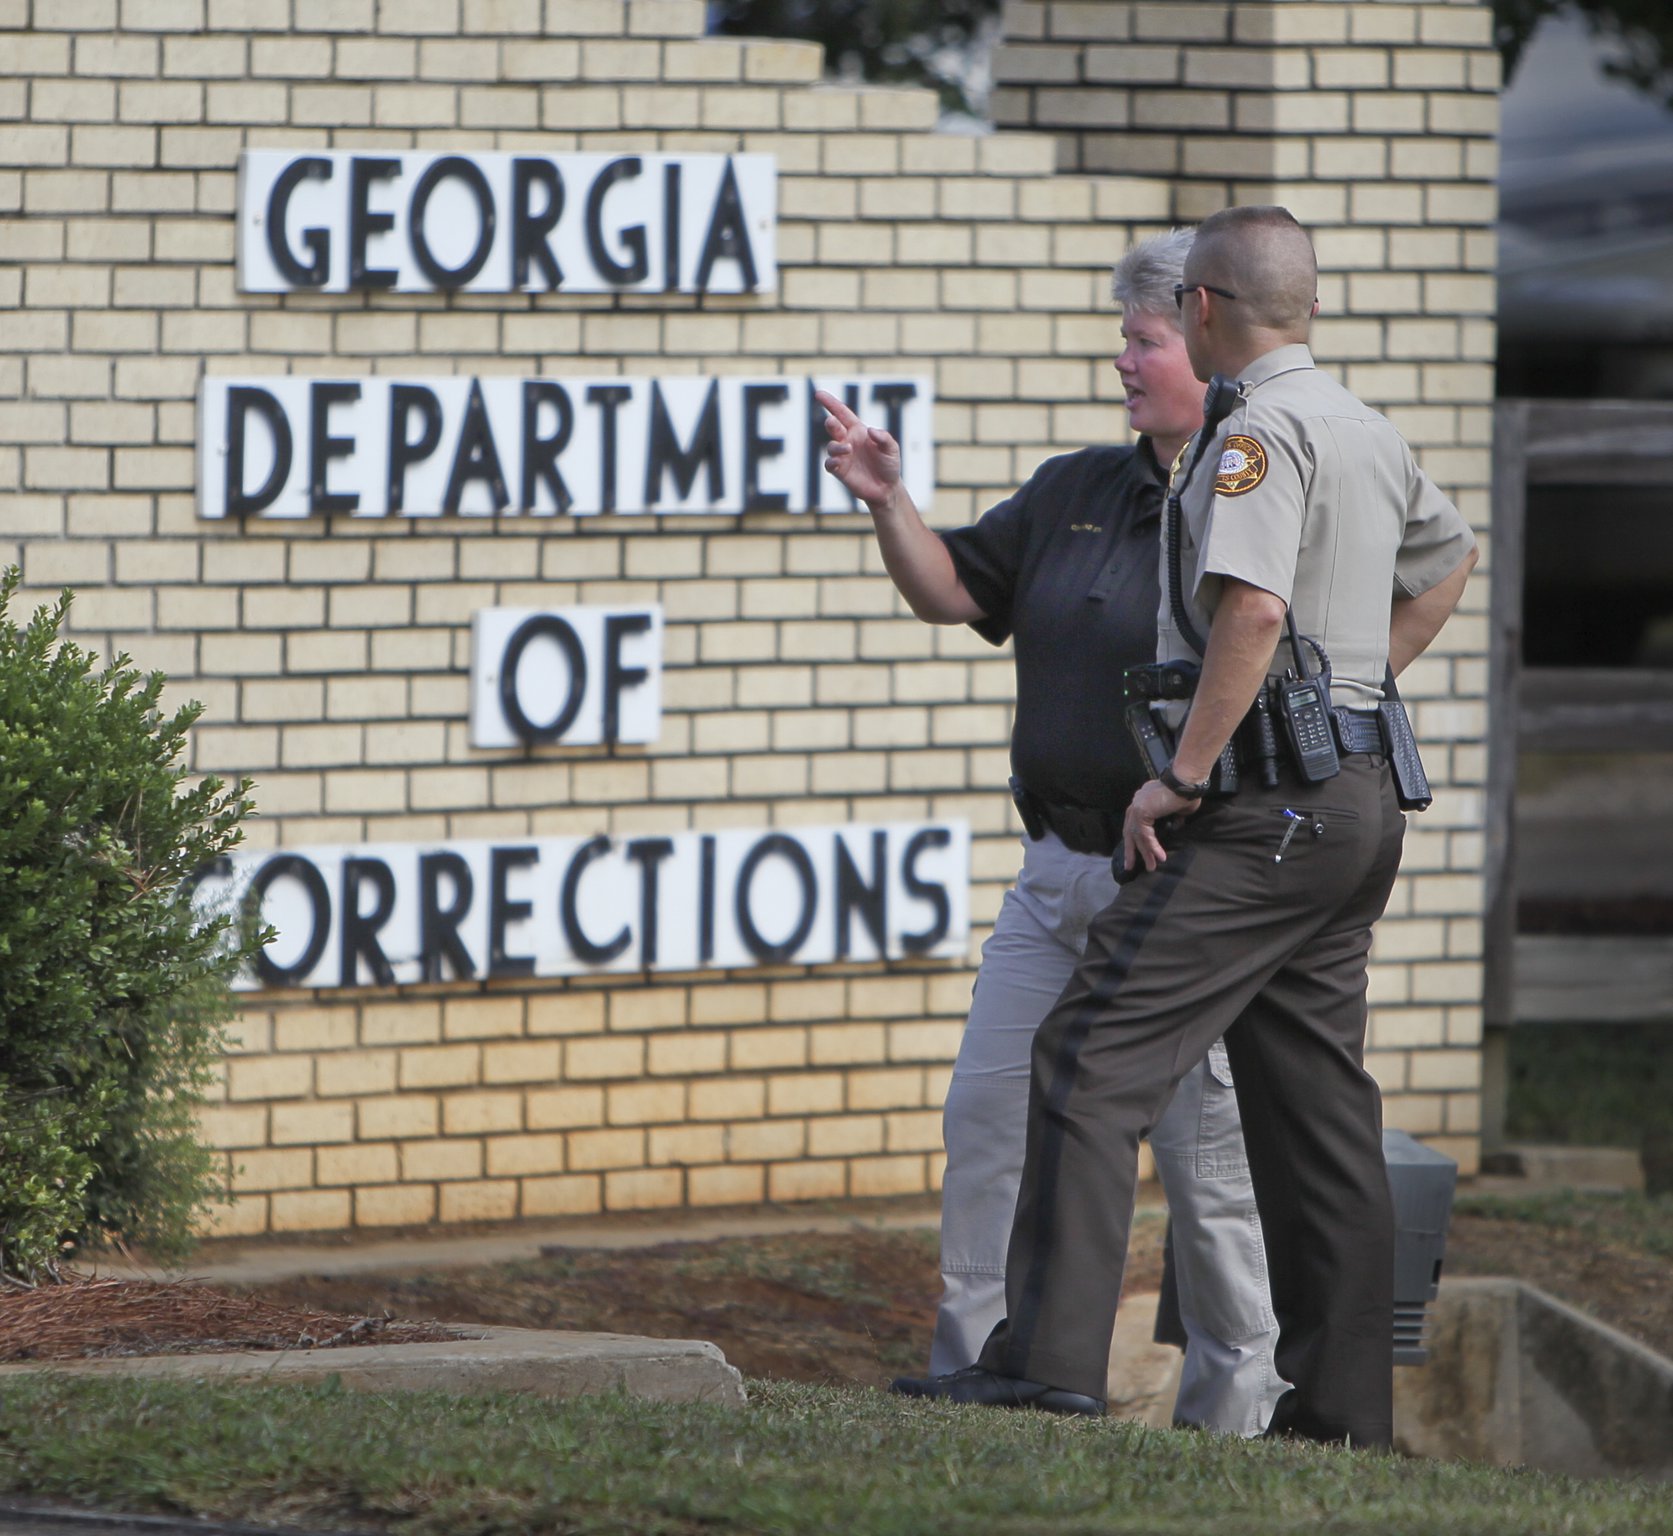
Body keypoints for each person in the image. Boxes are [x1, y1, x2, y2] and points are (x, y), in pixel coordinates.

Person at [886, 205, 1479, 1447]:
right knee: (1316, 1117)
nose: (1129, 351)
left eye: (1153, 324)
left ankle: (1045, 1365)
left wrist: (1184, 774)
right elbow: (1445, 555)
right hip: (1357, 806)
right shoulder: (1362, 424)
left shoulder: (1251, 435)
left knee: (1088, 1059)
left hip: (1259, 813)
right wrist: (1361, 693)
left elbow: (1250, 613)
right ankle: (1340, 1419)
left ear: (1204, 312)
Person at [816, 229, 1285, 1436]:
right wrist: (886, 499)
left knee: (1206, 1173)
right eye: (1122, 338)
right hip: (1055, 875)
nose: (1119, 360)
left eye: (1139, 339)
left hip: (1184, 892)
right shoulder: (1076, 487)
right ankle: (976, 1385)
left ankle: (1231, 1423)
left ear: (1202, 338)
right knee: (989, 1128)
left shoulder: (1254, 483)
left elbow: (1405, 579)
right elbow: (951, 591)